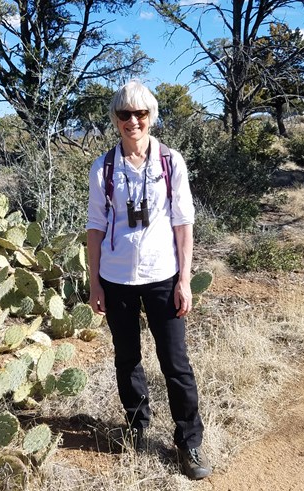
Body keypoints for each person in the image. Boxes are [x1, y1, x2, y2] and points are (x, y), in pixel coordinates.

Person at [86, 81, 211, 480]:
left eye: (140, 113)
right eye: (125, 114)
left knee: (175, 363)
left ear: (151, 117)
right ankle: (137, 427)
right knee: (127, 358)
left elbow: (183, 223)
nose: (133, 121)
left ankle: (188, 442)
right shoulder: (104, 166)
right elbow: (95, 227)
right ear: (115, 119)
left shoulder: (170, 162)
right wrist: (95, 283)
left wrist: (184, 281)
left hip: (162, 276)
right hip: (117, 276)